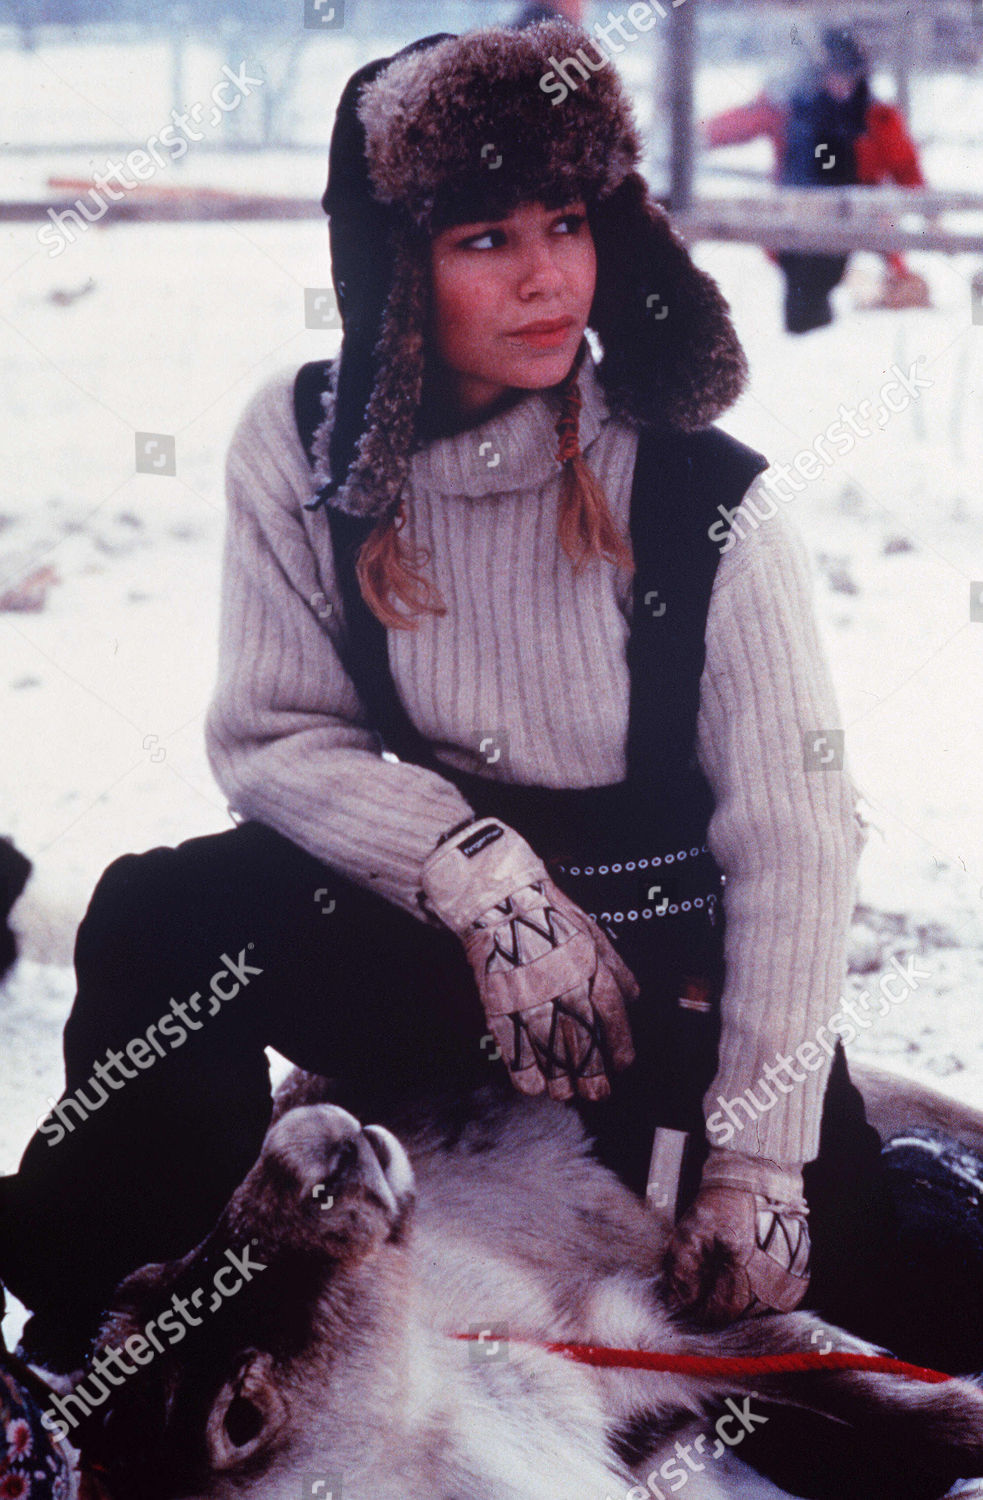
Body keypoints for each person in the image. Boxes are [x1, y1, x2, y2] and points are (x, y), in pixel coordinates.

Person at [0, 20, 926, 1382]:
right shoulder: (304, 448)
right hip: (443, 944)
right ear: (394, 268)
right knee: (164, 912)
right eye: (485, 238)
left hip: (661, 984)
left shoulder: (702, 494)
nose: (546, 277)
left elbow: (792, 841)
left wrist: (758, 1163)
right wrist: (472, 873)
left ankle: (906, 1205)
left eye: (566, 223)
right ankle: (115, 1325)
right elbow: (274, 734)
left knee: (884, 1293)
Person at [703, 26, 930, 333]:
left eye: (848, 74)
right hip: (799, 229)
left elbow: (907, 169)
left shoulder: (877, 116)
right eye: (834, 73)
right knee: (804, 311)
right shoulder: (793, 107)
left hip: (859, 228)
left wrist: (929, 214)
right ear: (819, 73)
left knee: (861, 316)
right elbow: (737, 124)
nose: (841, 83)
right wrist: (696, 136)